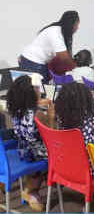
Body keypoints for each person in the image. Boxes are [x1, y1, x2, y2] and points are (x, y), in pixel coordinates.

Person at [6, 75, 55, 211]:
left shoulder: (16, 109)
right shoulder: (38, 114)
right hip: (37, 153)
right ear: (32, 92)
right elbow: (50, 136)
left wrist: (37, 103)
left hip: (23, 150)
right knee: (59, 154)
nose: (39, 90)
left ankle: (32, 188)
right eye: (37, 88)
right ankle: (35, 190)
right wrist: (51, 117)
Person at [19, 11, 79, 83]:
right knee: (40, 90)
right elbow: (64, 57)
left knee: (39, 88)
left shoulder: (57, 31)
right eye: (77, 25)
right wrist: (78, 68)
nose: (77, 28)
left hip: (30, 60)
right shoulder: (56, 32)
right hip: (33, 62)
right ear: (72, 24)